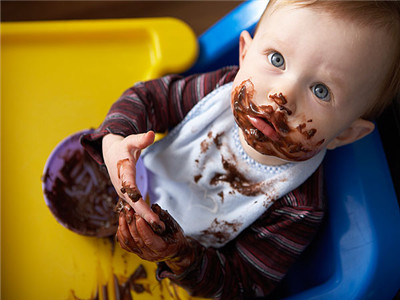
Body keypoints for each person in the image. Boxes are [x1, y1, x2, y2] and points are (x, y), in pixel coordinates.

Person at [81, 0, 400, 298]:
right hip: (128, 183)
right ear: (245, 54)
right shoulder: (217, 93)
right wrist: (114, 140)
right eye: (277, 59)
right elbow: (148, 99)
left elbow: (243, 283)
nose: (282, 96)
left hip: (178, 273)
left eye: (321, 90)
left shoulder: (298, 207)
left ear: (345, 134)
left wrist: (179, 254)